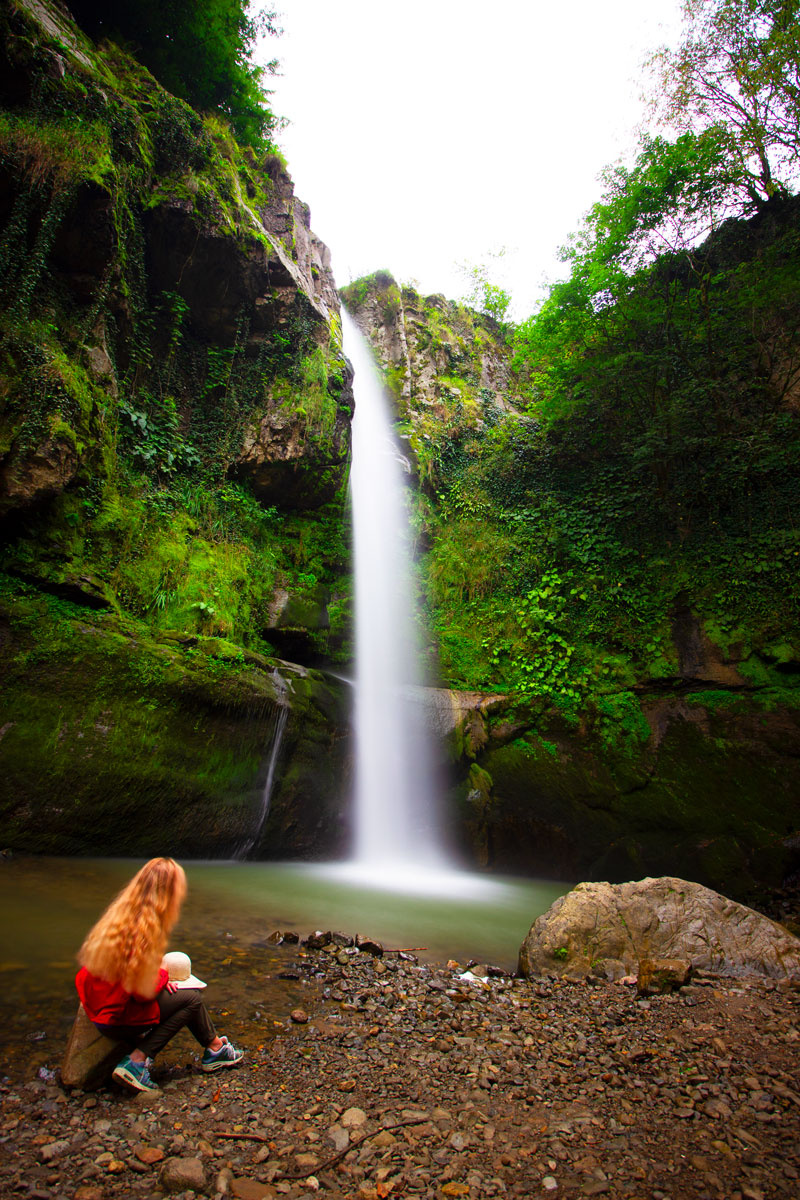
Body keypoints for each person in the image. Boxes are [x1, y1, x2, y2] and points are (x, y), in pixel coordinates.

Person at [75, 856, 243, 1093]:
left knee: (183, 996)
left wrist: (159, 982)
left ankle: (215, 1047)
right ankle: (137, 1062)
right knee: (192, 999)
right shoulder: (144, 929)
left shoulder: (119, 915)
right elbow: (143, 993)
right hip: (115, 1018)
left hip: (98, 1005)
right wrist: (163, 978)